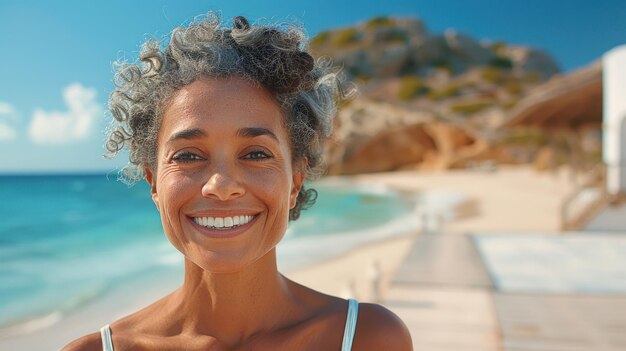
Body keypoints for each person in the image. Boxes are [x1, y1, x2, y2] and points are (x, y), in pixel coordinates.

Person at [64, 14, 412, 350]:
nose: (221, 184)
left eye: (256, 154)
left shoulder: (368, 338)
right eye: (187, 155)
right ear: (154, 182)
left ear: (295, 181)